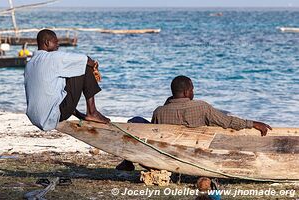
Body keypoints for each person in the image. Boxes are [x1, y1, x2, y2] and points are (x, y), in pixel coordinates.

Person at [116, 75, 272, 171]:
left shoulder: (160, 111)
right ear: (186, 92)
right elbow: (228, 122)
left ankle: (128, 161)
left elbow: (152, 133)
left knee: (135, 121)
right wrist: (253, 123)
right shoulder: (202, 107)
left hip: (165, 155)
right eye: (192, 89)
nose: (193, 92)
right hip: (194, 153)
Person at [24, 29, 110, 131]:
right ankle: (92, 112)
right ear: (47, 42)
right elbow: (86, 60)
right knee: (84, 67)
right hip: (53, 116)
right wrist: (95, 66)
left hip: (35, 117)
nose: (58, 45)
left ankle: (74, 111)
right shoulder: (53, 57)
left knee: (68, 70)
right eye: (56, 42)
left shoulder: (30, 63)